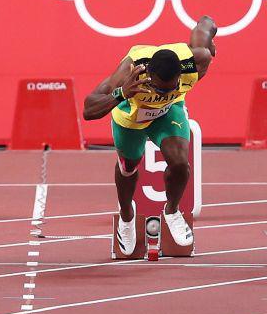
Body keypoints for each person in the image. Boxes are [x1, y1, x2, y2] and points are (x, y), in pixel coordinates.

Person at [83, 16, 217, 256]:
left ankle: (172, 211)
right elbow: (88, 110)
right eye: (158, 87)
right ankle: (126, 217)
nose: (164, 90)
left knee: (180, 163)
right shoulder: (129, 70)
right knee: (128, 167)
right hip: (131, 117)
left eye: (170, 86)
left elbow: (206, 23)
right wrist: (121, 93)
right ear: (149, 77)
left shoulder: (197, 60)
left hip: (167, 112)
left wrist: (212, 42)